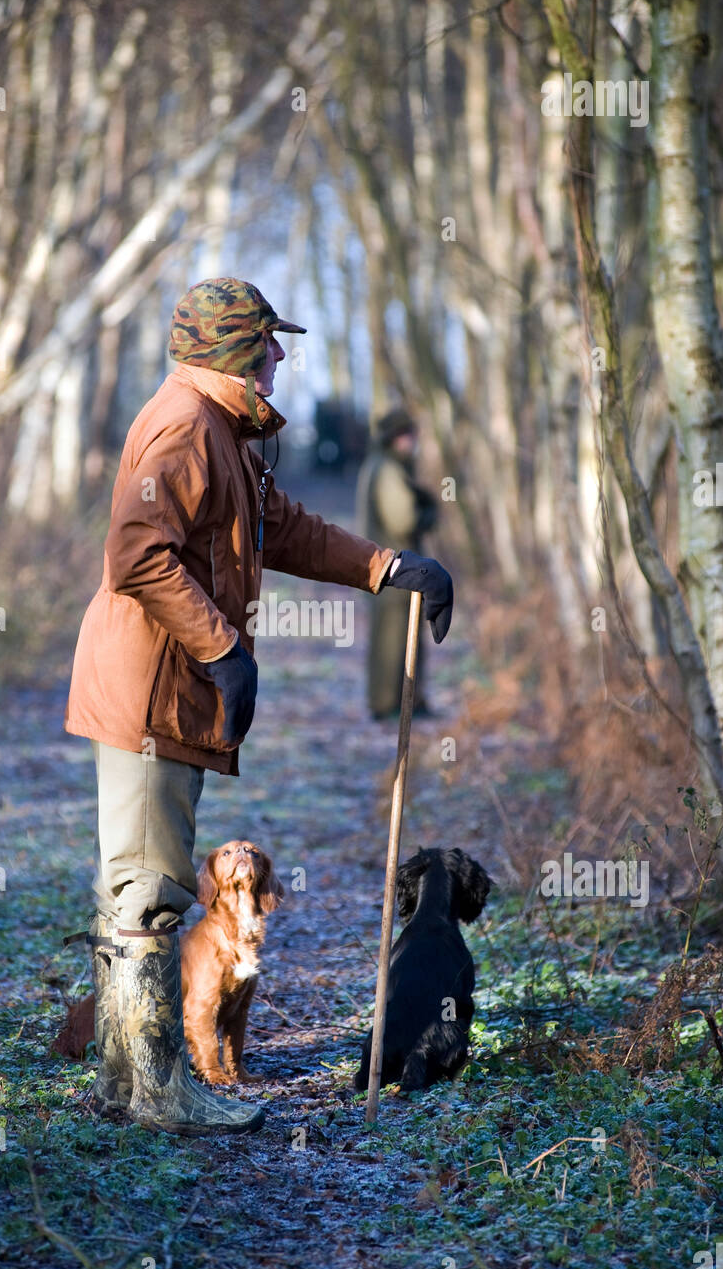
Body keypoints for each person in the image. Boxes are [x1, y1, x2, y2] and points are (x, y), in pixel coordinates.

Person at [64, 278, 454, 1136]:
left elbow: (281, 527)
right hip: (147, 690)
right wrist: (221, 647)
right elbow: (137, 554)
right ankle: (154, 1090)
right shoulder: (184, 426)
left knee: (150, 881)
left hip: (172, 687)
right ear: (232, 351)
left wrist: (389, 568)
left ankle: (133, 1080)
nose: (279, 356)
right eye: (266, 343)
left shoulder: (228, 435)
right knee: (148, 891)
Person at [355, 409, 439, 718]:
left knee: (400, 636)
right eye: (407, 435)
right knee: (392, 640)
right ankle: (389, 705)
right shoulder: (388, 470)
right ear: (394, 438)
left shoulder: (384, 466)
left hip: (392, 565)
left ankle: (404, 702)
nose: (412, 441)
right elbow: (403, 519)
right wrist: (427, 514)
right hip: (393, 567)